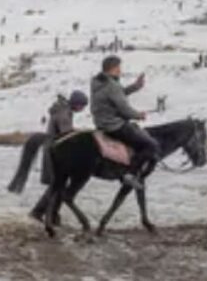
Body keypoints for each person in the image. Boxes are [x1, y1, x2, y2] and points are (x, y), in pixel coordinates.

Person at [90, 56, 157, 189]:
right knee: (151, 145)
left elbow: (116, 95)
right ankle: (130, 174)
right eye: (119, 68)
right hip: (114, 126)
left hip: (101, 124)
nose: (120, 71)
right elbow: (124, 109)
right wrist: (138, 115)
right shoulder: (112, 85)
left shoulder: (98, 82)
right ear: (113, 68)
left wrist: (135, 87)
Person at [40, 90, 88, 185]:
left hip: (52, 148)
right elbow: (66, 134)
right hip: (55, 151)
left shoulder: (63, 110)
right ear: (76, 104)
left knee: (56, 185)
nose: (82, 109)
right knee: (56, 184)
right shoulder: (64, 113)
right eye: (82, 106)